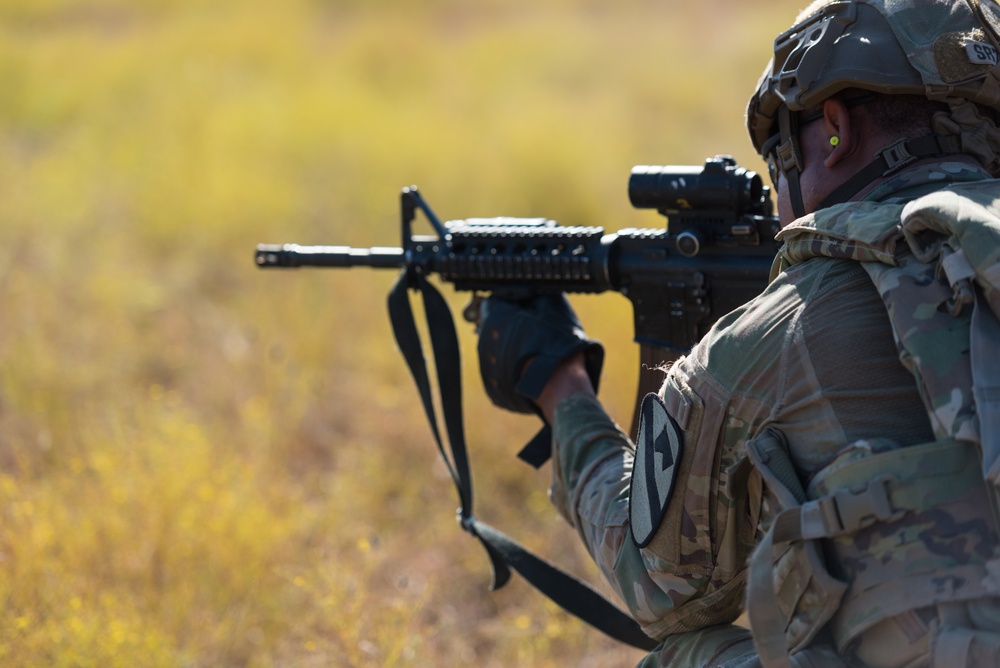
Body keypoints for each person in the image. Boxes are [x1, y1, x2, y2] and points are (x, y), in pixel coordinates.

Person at [476, 0, 1000, 665]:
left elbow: (662, 588)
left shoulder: (786, 323)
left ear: (834, 130)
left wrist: (561, 387)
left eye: (781, 155)